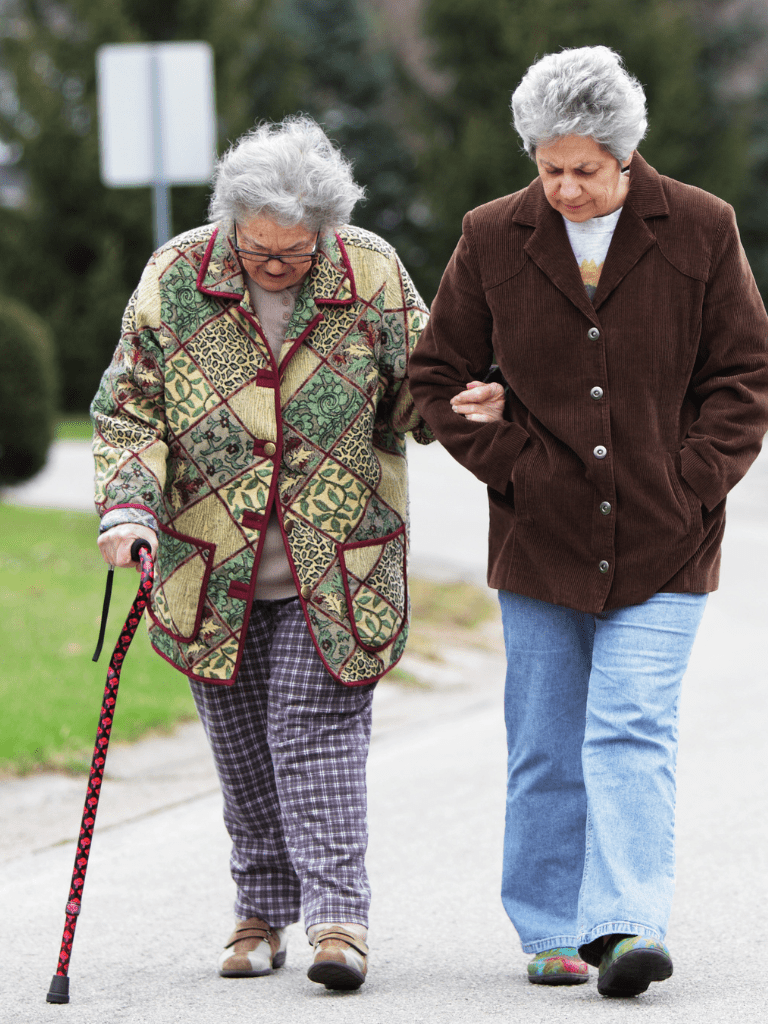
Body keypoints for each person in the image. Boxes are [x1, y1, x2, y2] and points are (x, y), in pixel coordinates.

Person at [91, 115, 502, 992]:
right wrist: (128, 510)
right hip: (208, 568)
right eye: (259, 251)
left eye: (294, 253)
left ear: (326, 231)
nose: (275, 266)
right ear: (229, 222)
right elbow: (130, 409)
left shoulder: (371, 272)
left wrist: (457, 405)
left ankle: (338, 920)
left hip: (339, 565)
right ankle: (258, 910)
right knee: (241, 747)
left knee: (310, 735)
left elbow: (416, 386)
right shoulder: (176, 277)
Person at [409, 46, 768, 997]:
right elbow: (437, 375)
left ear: (625, 158)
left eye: (585, 170)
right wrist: (509, 461)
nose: (564, 187)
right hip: (541, 542)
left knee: (632, 730)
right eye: (548, 167)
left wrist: (695, 483)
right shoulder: (492, 236)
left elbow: (744, 376)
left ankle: (628, 927)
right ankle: (550, 927)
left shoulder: (698, 227)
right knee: (545, 744)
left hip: (668, 538)